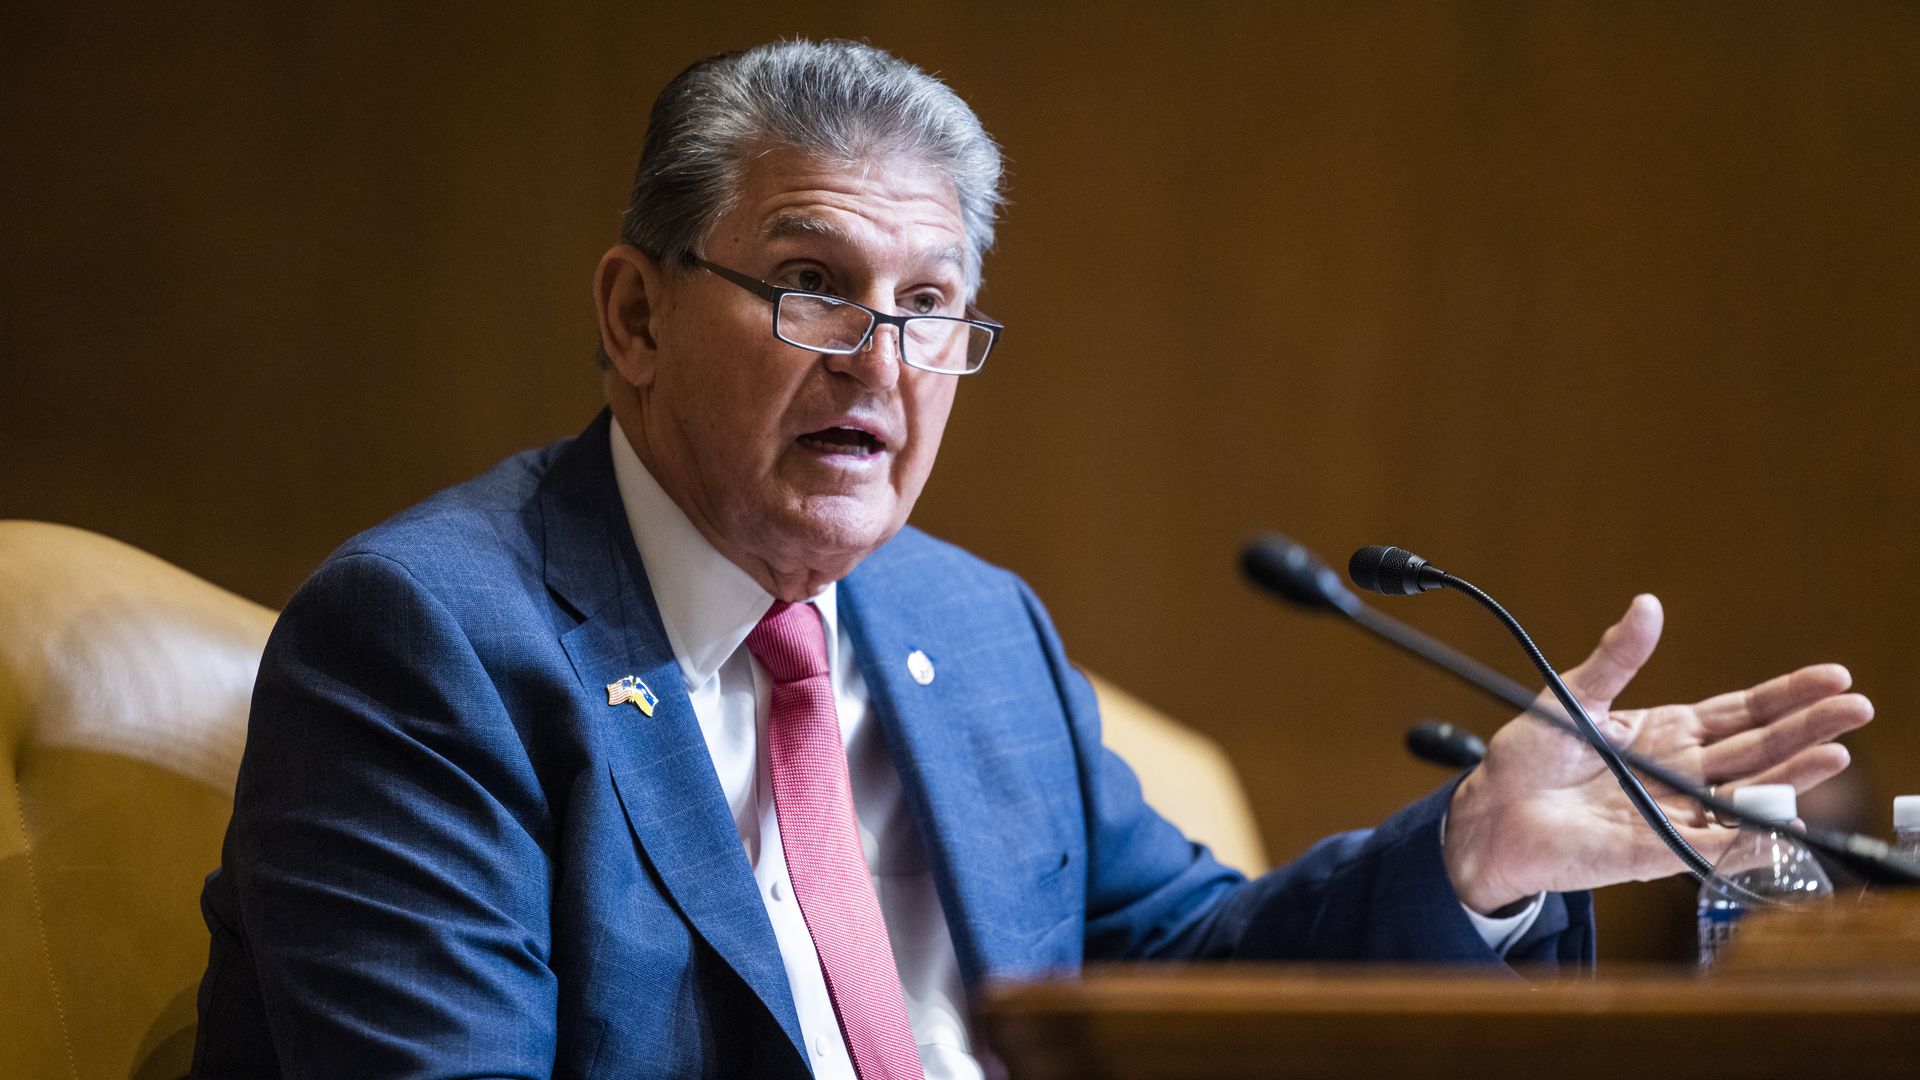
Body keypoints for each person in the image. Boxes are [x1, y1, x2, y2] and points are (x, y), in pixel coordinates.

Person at [190, 39, 1872, 1080]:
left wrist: (1476, 855)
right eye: (812, 285)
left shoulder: (968, 626)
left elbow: (1194, 982)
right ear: (634, 314)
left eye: (931, 310)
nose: (879, 359)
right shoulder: (429, 642)